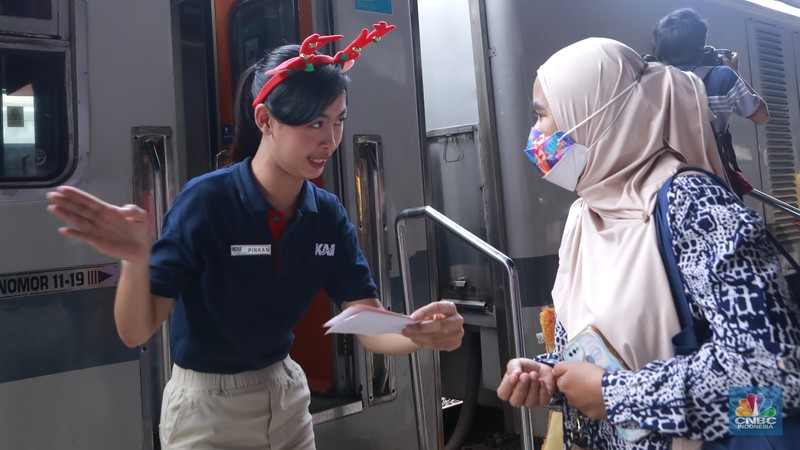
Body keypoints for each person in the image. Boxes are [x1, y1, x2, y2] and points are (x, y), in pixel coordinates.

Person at [47, 22, 464, 450]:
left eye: (338, 121)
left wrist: (414, 332)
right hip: (206, 411)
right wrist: (135, 258)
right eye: (314, 123)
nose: (330, 140)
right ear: (264, 119)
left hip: (285, 397)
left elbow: (366, 319)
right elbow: (135, 331)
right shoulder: (207, 203)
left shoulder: (326, 215)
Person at [496, 37, 800, 449]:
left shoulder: (694, 206)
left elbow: (774, 377)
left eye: (541, 116)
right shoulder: (584, 214)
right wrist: (548, 374)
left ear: (594, 116)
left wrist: (615, 396)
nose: (534, 135)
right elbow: (599, 348)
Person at [652, 7, 769, 196]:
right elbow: (761, 116)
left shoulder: (654, 81)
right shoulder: (723, 77)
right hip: (714, 178)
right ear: (703, 41)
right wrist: (735, 72)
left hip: (668, 181)